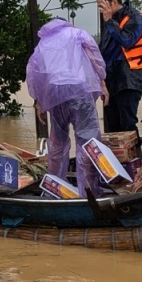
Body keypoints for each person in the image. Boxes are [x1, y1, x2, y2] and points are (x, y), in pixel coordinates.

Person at [25, 19, 109, 196]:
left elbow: (34, 72)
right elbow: (95, 56)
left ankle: (54, 189)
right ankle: (88, 192)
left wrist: (39, 101)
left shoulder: (43, 43)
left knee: (57, 143)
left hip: (56, 95)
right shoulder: (77, 33)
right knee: (87, 142)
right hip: (79, 90)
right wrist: (101, 81)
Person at [97, 0, 142, 133]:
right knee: (112, 126)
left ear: (114, 2)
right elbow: (103, 52)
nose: (101, 10)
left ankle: (134, 155)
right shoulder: (110, 22)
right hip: (112, 81)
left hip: (129, 80)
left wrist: (109, 21)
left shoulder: (135, 18)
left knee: (127, 125)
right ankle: (116, 156)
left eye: (102, 6)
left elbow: (127, 40)